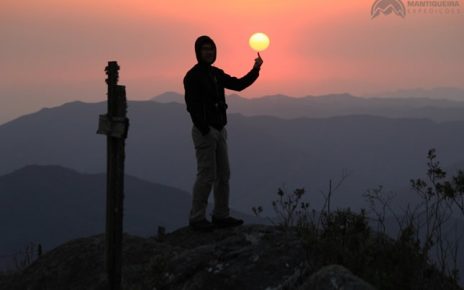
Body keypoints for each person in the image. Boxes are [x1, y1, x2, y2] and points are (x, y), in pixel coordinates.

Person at [183, 35, 263, 231]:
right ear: (198, 52)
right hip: (206, 132)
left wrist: (256, 69)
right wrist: (205, 129)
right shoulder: (192, 76)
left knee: (223, 174)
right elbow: (192, 107)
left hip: (219, 129)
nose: (209, 52)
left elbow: (238, 85)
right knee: (207, 175)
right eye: (205, 49)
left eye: (211, 49)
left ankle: (221, 215)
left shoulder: (216, 74)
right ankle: (197, 217)